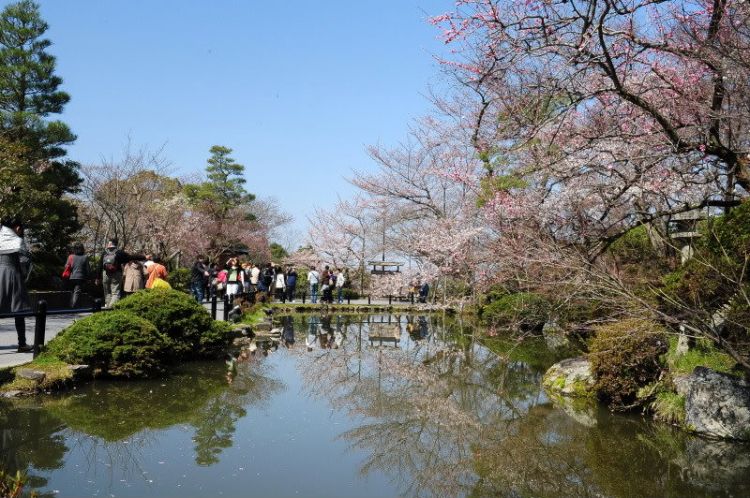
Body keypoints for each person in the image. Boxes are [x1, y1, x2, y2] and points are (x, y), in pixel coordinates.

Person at [0, 217, 33, 352]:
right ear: (17, 228)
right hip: (12, 275)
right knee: (18, 310)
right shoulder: (17, 241)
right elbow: (24, 260)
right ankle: (22, 343)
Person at [95, 238, 145, 307]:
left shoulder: (104, 252)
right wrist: (143, 257)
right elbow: (130, 257)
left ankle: (107, 308)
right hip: (116, 274)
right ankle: (111, 309)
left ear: (109, 244)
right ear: (116, 244)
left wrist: (97, 278)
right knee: (115, 293)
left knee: (108, 293)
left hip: (105, 274)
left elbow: (100, 265)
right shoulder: (119, 252)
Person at [66, 242, 91, 309]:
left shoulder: (70, 257)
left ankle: (77, 306)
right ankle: (73, 307)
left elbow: (66, 266)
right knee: (77, 292)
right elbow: (87, 269)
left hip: (71, 277)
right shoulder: (85, 257)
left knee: (73, 292)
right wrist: (89, 278)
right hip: (80, 277)